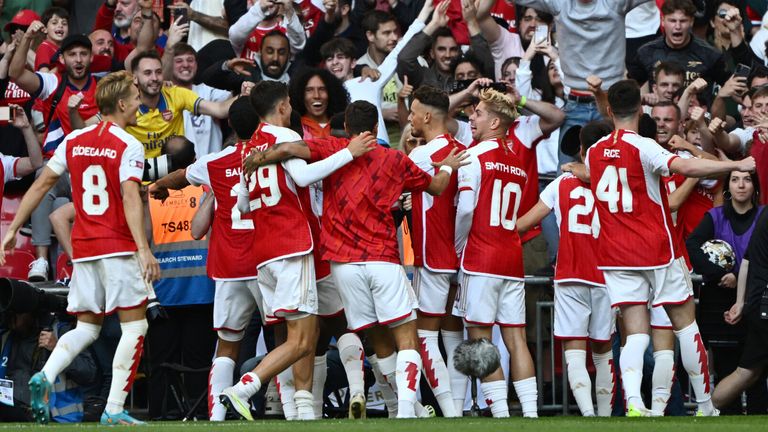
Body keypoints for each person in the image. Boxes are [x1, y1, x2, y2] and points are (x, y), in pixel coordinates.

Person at [240, 100, 467, 418]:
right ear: (376, 129)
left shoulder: (332, 148)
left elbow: (292, 147)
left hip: (343, 266)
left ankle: (398, 405)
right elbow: (439, 187)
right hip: (383, 259)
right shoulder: (395, 159)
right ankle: (404, 410)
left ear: (345, 127)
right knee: (405, 336)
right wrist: (447, 166)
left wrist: (259, 157)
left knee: (376, 339)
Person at [573, 79, 754, 416]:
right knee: (685, 324)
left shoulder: (595, 152)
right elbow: (685, 166)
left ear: (610, 110)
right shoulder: (645, 146)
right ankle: (704, 405)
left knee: (634, 331)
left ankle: (634, 405)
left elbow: (599, 168)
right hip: (656, 249)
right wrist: (734, 165)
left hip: (615, 253)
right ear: (641, 110)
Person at [208, 82, 377, 421]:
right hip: (292, 244)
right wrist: (349, 153)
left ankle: (303, 410)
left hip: (264, 252)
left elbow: (241, 203)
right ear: (284, 106)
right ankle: (243, 387)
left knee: (304, 332)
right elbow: (302, 178)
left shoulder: (248, 148)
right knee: (302, 340)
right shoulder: (283, 137)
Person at [0, 70, 161, 425]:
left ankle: (45, 374)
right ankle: (116, 409)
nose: (139, 104)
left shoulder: (74, 141)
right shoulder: (128, 145)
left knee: (87, 328)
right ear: (121, 104)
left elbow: (42, 184)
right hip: (117, 247)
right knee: (135, 328)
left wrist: (14, 227)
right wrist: (143, 249)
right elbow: (131, 198)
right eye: (135, 99)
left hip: (85, 249)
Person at [517, 120, 616, 417]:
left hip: (571, 274)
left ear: (583, 151)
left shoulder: (561, 183)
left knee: (574, 351)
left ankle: (587, 415)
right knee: (602, 351)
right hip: (607, 276)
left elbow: (524, 223)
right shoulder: (617, 183)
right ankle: (605, 416)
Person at [454, 88, 538, 418]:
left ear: (494, 121)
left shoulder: (474, 157)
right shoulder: (517, 163)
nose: (470, 118)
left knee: (480, 339)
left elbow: (465, 211)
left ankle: (501, 413)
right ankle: (530, 413)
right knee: (516, 337)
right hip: (511, 257)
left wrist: (459, 245)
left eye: (477, 113)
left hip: (482, 257)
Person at [687, 170, 766, 414]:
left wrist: (741, 286)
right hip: (720, 301)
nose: (741, 185)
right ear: (727, 187)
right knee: (728, 364)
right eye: (734, 180)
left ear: (755, 186)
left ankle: (756, 414)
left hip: (755, 298)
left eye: (747, 180)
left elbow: (751, 260)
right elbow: (692, 246)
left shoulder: (763, 215)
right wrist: (720, 274)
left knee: (755, 370)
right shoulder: (716, 216)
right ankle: (720, 413)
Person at [407, 85, 465, 417]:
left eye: (414, 112)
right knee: (452, 333)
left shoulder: (422, 156)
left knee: (424, 336)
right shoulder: (463, 149)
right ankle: (460, 406)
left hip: (432, 256)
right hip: (459, 256)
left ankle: (447, 411)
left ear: (427, 116)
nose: (411, 118)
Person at [127, 50, 236, 158]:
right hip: (142, 171)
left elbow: (219, 109)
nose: (154, 78)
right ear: (135, 78)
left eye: (159, 72)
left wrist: (245, 94)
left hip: (176, 170)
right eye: (148, 73)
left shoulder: (175, 94)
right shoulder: (126, 106)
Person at [712, 205, 768, 411]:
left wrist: (741, 302)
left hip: (758, 305)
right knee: (746, 372)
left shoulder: (765, 216)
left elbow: (746, 261)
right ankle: (709, 405)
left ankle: (709, 406)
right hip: (763, 305)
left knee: (746, 372)